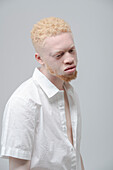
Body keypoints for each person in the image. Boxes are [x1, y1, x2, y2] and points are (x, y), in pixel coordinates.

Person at [0, 17, 85, 170]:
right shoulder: (23, 102)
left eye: (71, 50)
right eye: (59, 55)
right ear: (40, 59)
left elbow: (75, 155)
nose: (70, 59)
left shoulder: (70, 93)